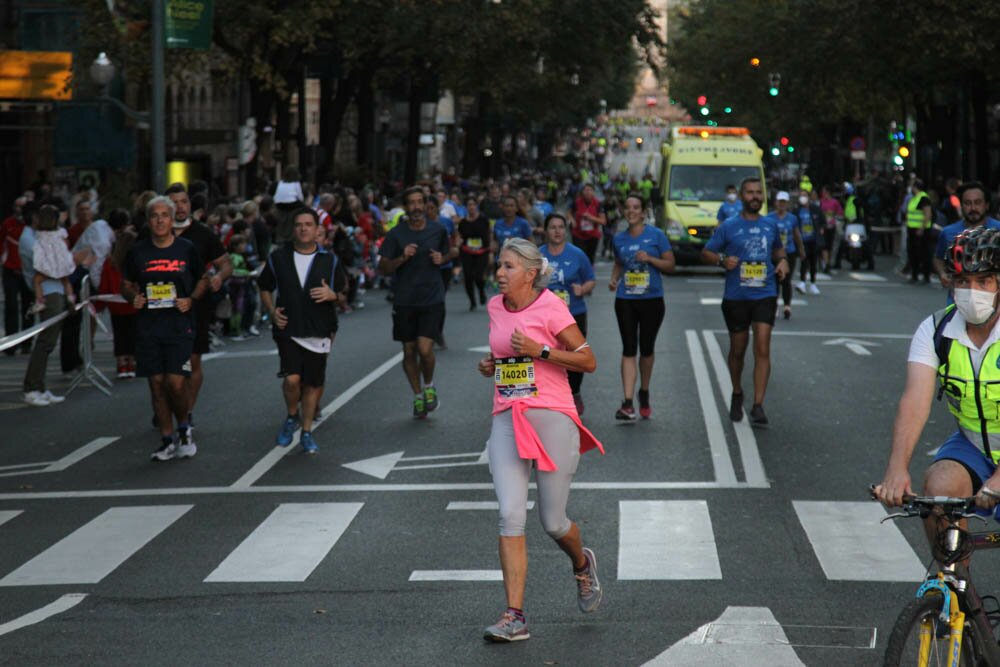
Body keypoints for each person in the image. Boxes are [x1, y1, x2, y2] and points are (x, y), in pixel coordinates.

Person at [477, 237, 604, 642]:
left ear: (531, 274)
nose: (500, 272)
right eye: (499, 264)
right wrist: (492, 365)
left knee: (552, 522)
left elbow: (588, 359)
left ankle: (582, 564)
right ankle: (514, 616)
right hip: (507, 417)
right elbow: (504, 356)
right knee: (510, 515)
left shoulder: (551, 306)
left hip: (552, 417)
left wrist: (541, 351)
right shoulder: (495, 307)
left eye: (509, 266)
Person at [875, 227, 1000, 563]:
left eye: (983, 281)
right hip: (974, 444)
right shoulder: (935, 330)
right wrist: (897, 468)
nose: (971, 291)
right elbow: (915, 400)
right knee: (939, 488)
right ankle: (954, 592)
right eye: (962, 281)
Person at [122, 196, 206, 460]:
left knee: (176, 383)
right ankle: (167, 438)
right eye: (154, 216)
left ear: (172, 220)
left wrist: (190, 299)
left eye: (164, 215)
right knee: (156, 384)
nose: (160, 220)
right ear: (148, 222)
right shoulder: (138, 251)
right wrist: (131, 297)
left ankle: (184, 428)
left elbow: (203, 278)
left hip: (179, 326)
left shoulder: (186, 248)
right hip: (148, 326)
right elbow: (126, 283)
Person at [701, 177, 789, 427]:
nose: (755, 197)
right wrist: (721, 261)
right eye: (750, 193)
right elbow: (706, 252)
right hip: (736, 296)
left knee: (762, 347)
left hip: (765, 293)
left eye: (758, 193)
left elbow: (779, 252)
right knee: (738, 350)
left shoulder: (770, 225)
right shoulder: (729, 226)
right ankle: (737, 391)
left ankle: (758, 405)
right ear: (741, 197)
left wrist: (783, 262)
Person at [259, 208, 347, 454]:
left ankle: (306, 431)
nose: (303, 228)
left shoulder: (329, 259)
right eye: (299, 224)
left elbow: (343, 291)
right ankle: (291, 416)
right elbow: (264, 286)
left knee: (311, 384)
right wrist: (271, 310)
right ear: (293, 229)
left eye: (308, 224)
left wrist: (333, 295)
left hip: (319, 329)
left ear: (317, 229)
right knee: (291, 379)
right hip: (288, 327)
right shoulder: (279, 257)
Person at [379, 186, 457, 418]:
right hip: (404, 300)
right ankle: (418, 396)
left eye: (419, 203)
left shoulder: (437, 229)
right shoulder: (396, 234)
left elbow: (451, 251)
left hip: (431, 297)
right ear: (406, 207)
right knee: (409, 350)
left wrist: (441, 258)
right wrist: (402, 257)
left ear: (425, 205)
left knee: (425, 348)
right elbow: (383, 267)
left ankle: (429, 386)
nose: (415, 207)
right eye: (411, 203)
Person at [166, 183, 232, 428]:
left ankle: (187, 412)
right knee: (164, 368)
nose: (180, 207)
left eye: (183, 202)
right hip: (162, 308)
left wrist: (218, 277)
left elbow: (226, 264)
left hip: (195, 306)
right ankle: (167, 407)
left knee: (193, 361)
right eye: (174, 202)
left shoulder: (203, 233)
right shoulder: (157, 231)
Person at [609, 194, 675, 420]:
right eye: (627, 208)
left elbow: (670, 264)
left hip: (652, 299)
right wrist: (614, 278)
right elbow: (619, 262)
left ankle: (644, 391)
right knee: (629, 348)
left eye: (636, 207)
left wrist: (650, 259)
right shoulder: (619, 239)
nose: (631, 211)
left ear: (644, 211)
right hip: (626, 299)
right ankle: (627, 402)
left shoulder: (656, 236)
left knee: (646, 349)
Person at [539, 213, 596, 415]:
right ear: (546, 231)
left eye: (560, 227)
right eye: (552, 227)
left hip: (574, 314)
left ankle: (575, 392)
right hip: (544, 317)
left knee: (575, 356)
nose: (557, 231)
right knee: (547, 355)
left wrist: (583, 289)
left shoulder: (577, 254)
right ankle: (550, 396)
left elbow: (591, 279)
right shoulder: (538, 256)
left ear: (566, 230)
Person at [19, 204, 70, 407]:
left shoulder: (40, 237)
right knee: (45, 342)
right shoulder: (29, 239)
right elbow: (50, 266)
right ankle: (31, 387)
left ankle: (39, 386)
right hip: (48, 293)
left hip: (54, 289)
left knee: (48, 343)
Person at [933, 182, 1000, 302]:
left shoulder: (998, 230)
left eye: (978, 202)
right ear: (961, 206)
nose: (973, 208)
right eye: (967, 203)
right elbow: (938, 258)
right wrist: (942, 273)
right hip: (958, 303)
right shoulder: (948, 232)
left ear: (987, 205)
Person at [98, 210, 138, 379]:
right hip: (133, 303)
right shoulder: (136, 261)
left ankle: (122, 363)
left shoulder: (110, 263)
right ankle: (133, 362)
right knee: (134, 334)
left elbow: (104, 285)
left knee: (120, 334)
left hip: (115, 305)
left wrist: (101, 304)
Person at [763, 191, 802, 320]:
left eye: (784, 202)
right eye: (780, 202)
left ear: (787, 204)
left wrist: (801, 250)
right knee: (774, 280)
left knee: (786, 280)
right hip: (773, 254)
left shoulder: (792, 218)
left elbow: (797, 235)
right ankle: (774, 306)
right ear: (775, 203)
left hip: (789, 252)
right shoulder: (769, 218)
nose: (781, 205)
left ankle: (787, 306)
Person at [1, 197, 33, 355]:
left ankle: (27, 342)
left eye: (23, 207)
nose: (19, 209)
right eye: (17, 206)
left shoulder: (31, 227)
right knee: (11, 305)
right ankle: (10, 343)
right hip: (10, 270)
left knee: (28, 306)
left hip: (27, 271)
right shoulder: (8, 224)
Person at [458, 196, 490, 310]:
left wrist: (490, 249)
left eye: (473, 204)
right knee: (468, 276)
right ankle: (472, 301)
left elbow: (488, 234)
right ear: (466, 207)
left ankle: (481, 292)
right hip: (467, 251)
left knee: (479, 276)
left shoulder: (483, 219)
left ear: (476, 206)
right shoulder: (462, 222)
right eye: (469, 205)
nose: (471, 207)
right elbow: (460, 237)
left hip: (482, 251)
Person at [569, 184, 606, 264]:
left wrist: (591, 217)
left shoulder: (598, 204)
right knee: (580, 256)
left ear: (593, 192)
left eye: (590, 190)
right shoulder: (577, 202)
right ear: (582, 192)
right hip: (578, 234)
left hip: (592, 235)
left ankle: (589, 275)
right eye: (585, 190)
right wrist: (572, 220)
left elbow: (603, 221)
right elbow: (569, 213)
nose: (587, 192)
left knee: (590, 258)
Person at [794, 191, 822, 295]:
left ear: (809, 197)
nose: (803, 198)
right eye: (801, 195)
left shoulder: (815, 209)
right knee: (804, 261)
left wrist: (820, 230)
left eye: (805, 195)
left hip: (813, 240)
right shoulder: (797, 210)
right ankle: (802, 282)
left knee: (813, 262)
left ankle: (813, 284)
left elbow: (822, 221)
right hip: (802, 240)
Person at [906, 178, 934, 284]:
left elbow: (928, 214)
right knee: (913, 253)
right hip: (912, 229)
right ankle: (915, 274)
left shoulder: (923, 198)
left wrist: (921, 228)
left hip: (921, 231)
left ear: (915, 187)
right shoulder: (915, 198)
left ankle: (925, 275)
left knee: (923, 253)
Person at [490, 195, 534, 261]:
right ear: (503, 207)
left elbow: (531, 243)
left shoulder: (523, 223)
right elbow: (494, 240)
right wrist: (491, 252)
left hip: (519, 262)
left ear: (516, 208)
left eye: (511, 206)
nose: (509, 208)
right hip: (501, 261)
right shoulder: (498, 223)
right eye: (506, 206)